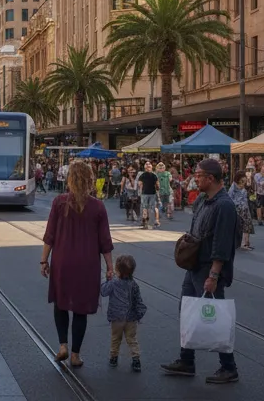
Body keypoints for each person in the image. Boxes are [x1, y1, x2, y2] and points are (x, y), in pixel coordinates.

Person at [163, 158, 239, 384]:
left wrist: (214, 275)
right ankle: (186, 360)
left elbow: (223, 244)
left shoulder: (224, 205)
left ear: (211, 178)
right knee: (187, 312)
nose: (195, 178)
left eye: (198, 175)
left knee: (213, 317)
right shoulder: (205, 201)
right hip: (195, 266)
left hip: (208, 268)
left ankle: (229, 367)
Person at [40, 161, 114, 368]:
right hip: (87, 264)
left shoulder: (59, 202)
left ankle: (62, 344)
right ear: (90, 180)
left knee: (60, 304)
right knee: (80, 310)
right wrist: (110, 267)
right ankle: (75, 354)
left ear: (70, 179)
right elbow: (105, 242)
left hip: (62, 261)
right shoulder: (98, 207)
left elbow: (50, 236)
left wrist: (44, 260)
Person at [100, 254, 145, 372]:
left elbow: (103, 291)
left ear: (117, 270)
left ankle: (113, 358)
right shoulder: (134, 285)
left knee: (115, 338)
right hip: (131, 318)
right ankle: (136, 360)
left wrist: (107, 279)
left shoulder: (114, 283)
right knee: (132, 339)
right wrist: (139, 314)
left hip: (117, 318)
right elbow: (138, 300)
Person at [229, 172, 254, 251]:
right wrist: (238, 205)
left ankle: (246, 242)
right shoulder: (233, 187)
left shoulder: (243, 188)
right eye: (242, 180)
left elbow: (245, 199)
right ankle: (241, 243)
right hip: (237, 209)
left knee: (247, 224)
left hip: (245, 209)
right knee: (239, 226)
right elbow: (230, 198)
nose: (243, 182)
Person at [139, 162, 161, 229]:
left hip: (147, 193)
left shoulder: (143, 175)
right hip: (150, 193)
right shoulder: (153, 175)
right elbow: (157, 185)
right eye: (147, 164)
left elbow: (140, 184)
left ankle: (146, 222)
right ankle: (149, 222)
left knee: (145, 208)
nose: (148, 165)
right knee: (150, 208)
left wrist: (141, 192)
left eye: (149, 164)